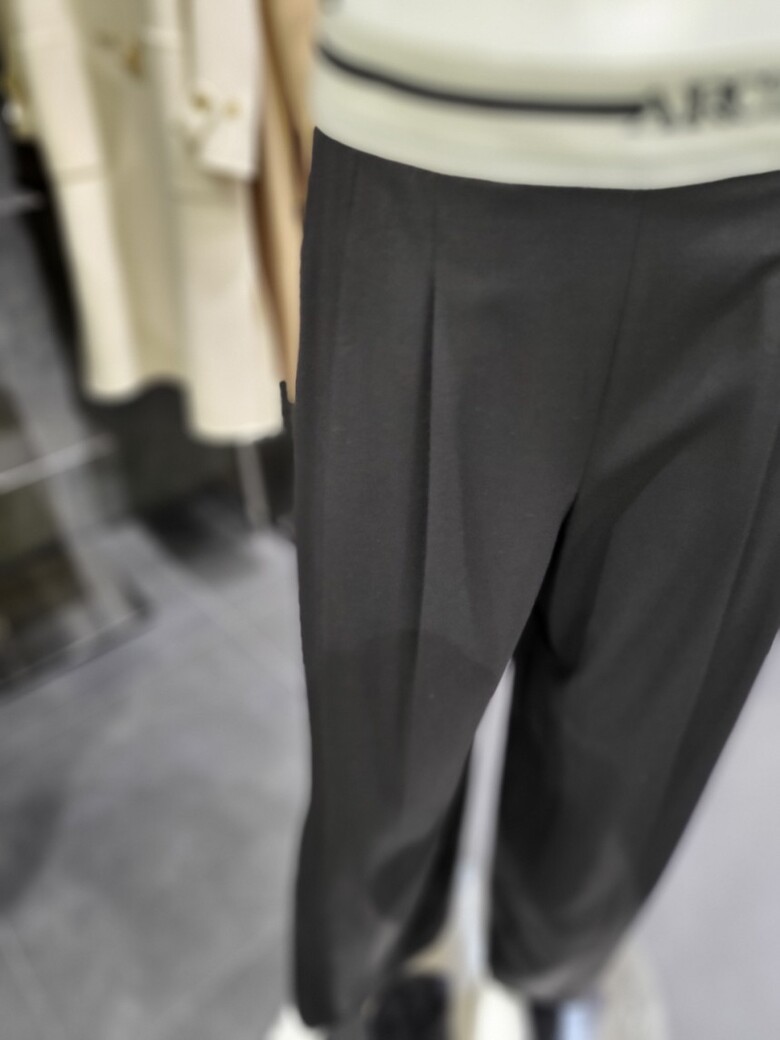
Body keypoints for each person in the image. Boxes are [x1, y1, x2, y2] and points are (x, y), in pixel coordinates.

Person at [269, 1, 780, 1037]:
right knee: (387, 723)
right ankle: (385, 976)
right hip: (437, 136)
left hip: (761, 159)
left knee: (647, 726)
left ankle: (546, 972)